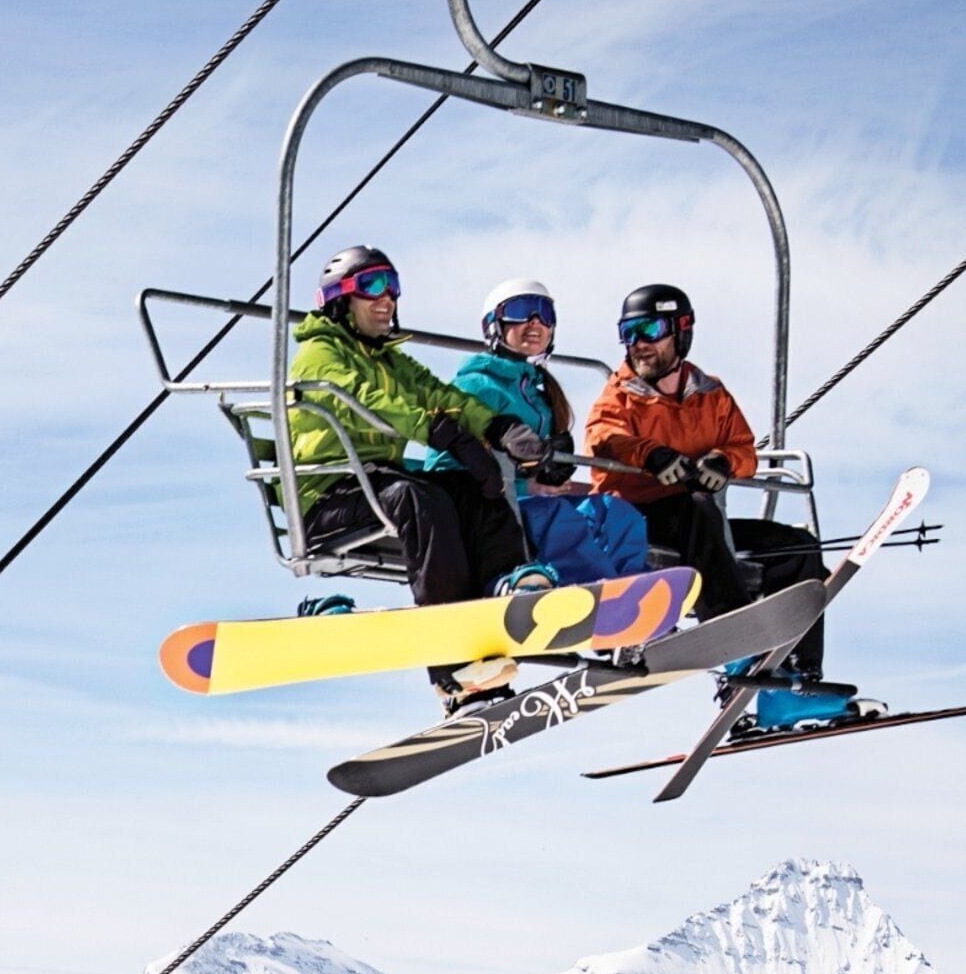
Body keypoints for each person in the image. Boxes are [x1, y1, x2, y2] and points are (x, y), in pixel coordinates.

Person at [584, 283, 859, 725]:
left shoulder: (710, 394)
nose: (638, 344)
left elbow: (743, 447)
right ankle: (735, 645)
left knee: (796, 549)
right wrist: (652, 456)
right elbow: (605, 438)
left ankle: (797, 682)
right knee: (698, 507)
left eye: (649, 330)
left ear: (681, 331)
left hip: (704, 523)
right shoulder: (621, 395)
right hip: (638, 520)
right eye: (628, 332)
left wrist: (723, 462)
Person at [276, 248, 540, 670]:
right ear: (340, 299)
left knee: (476, 491)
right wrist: (439, 431)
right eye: (373, 287)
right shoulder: (320, 355)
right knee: (418, 499)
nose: (387, 299)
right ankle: (448, 648)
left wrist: (495, 426)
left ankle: (503, 593)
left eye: (393, 288)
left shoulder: (389, 359)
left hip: (376, 483)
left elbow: (441, 395)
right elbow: (363, 400)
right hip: (328, 497)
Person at [449, 277, 644, 586]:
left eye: (545, 313)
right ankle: (589, 592)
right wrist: (525, 486)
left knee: (615, 512)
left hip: (532, 500)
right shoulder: (475, 387)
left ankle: (634, 591)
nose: (535, 322)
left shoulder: (540, 396)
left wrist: (553, 474)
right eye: (521, 311)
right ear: (494, 325)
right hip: (492, 503)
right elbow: (447, 465)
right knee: (554, 517)